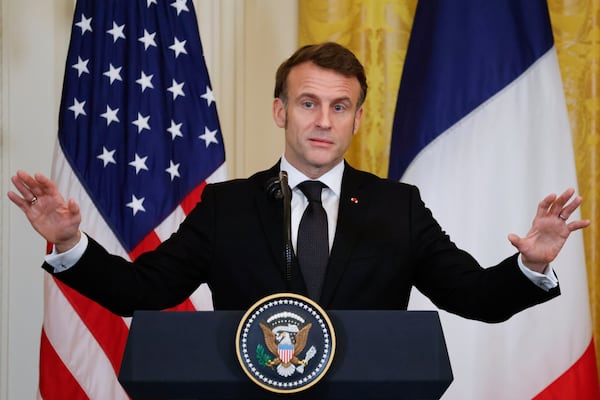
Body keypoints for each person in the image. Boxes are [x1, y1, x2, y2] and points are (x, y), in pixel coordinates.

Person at [7, 42, 590, 321]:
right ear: (280, 111)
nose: (323, 120)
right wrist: (69, 244)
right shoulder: (225, 205)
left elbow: (475, 299)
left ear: (358, 119)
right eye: (308, 102)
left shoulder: (399, 207)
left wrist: (530, 266)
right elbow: (144, 291)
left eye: (340, 107)